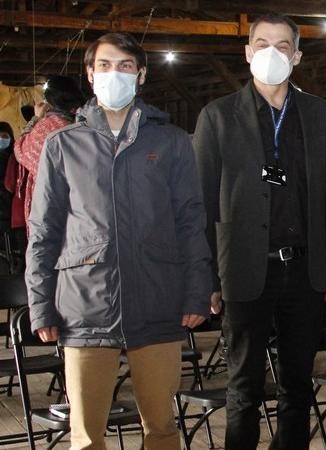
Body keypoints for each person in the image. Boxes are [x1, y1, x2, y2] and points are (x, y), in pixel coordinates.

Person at [25, 32, 212, 450]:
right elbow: (43, 232)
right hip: (84, 307)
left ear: (141, 75)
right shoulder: (62, 145)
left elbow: (190, 223)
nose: (115, 74)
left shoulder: (172, 142)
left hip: (158, 301)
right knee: (87, 434)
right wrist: (41, 305)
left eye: (126, 66)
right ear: (90, 75)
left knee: (162, 428)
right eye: (105, 66)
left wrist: (197, 293)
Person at [193, 12, 326, 450]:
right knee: (244, 387)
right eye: (261, 44)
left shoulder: (318, 114)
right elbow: (201, 202)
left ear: (296, 56)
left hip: (303, 269)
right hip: (242, 267)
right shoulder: (217, 116)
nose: (270, 53)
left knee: (298, 384)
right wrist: (209, 278)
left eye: (281, 46)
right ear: (247, 52)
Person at [15, 75, 85, 229]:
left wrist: (36, 117)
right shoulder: (87, 126)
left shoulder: (46, 128)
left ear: (49, 101)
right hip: (82, 206)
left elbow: (21, 150)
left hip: (50, 203)